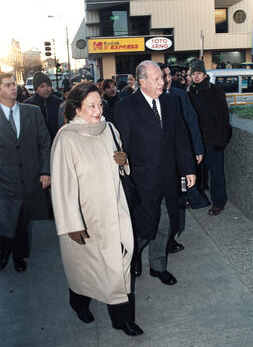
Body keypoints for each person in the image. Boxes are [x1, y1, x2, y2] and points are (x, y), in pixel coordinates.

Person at [50, 82, 143, 336]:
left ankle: (122, 319)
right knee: (84, 271)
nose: (97, 110)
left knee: (118, 267)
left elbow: (120, 167)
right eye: (90, 106)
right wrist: (71, 224)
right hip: (86, 219)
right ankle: (78, 302)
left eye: (99, 104)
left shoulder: (109, 129)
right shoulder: (66, 138)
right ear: (76, 109)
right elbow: (62, 186)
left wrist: (124, 162)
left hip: (115, 210)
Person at [114, 61, 196, 286]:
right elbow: (122, 148)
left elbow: (180, 139)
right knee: (143, 227)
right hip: (141, 181)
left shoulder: (172, 103)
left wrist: (188, 169)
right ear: (142, 82)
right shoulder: (126, 107)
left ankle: (158, 267)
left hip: (168, 177)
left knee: (166, 223)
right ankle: (134, 258)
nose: (163, 82)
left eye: (163, 78)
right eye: (157, 79)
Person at [0, 73, 51, 272]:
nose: (13, 88)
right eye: (7, 85)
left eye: (14, 84)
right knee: (6, 216)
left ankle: (18, 255)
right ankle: (7, 251)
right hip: (3, 179)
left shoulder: (32, 112)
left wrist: (45, 170)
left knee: (21, 216)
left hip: (29, 177)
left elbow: (45, 143)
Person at [159, 63, 204, 253]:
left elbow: (191, 123)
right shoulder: (146, 101)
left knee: (178, 198)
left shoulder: (180, 95)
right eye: (164, 76)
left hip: (179, 159)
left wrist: (197, 149)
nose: (168, 79)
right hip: (157, 164)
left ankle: (170, 238)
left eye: (169, 75)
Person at [189, 59, 230, 215]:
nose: (196, 76)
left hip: (214, 141)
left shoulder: (216, 91)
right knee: (197, 172)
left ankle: (218, 203)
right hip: (197, 142)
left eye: (199, 73)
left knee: (217, 174)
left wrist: (220, 141)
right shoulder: (190, 92)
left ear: (205, 75)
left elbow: (224, 119)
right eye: (194, 74)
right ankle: (197, 199)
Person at [24, 72, 62, 141]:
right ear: (36, 89)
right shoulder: (28, 105)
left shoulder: (58, 102)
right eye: (42, 86)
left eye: (48, 85)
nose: (46, 89)